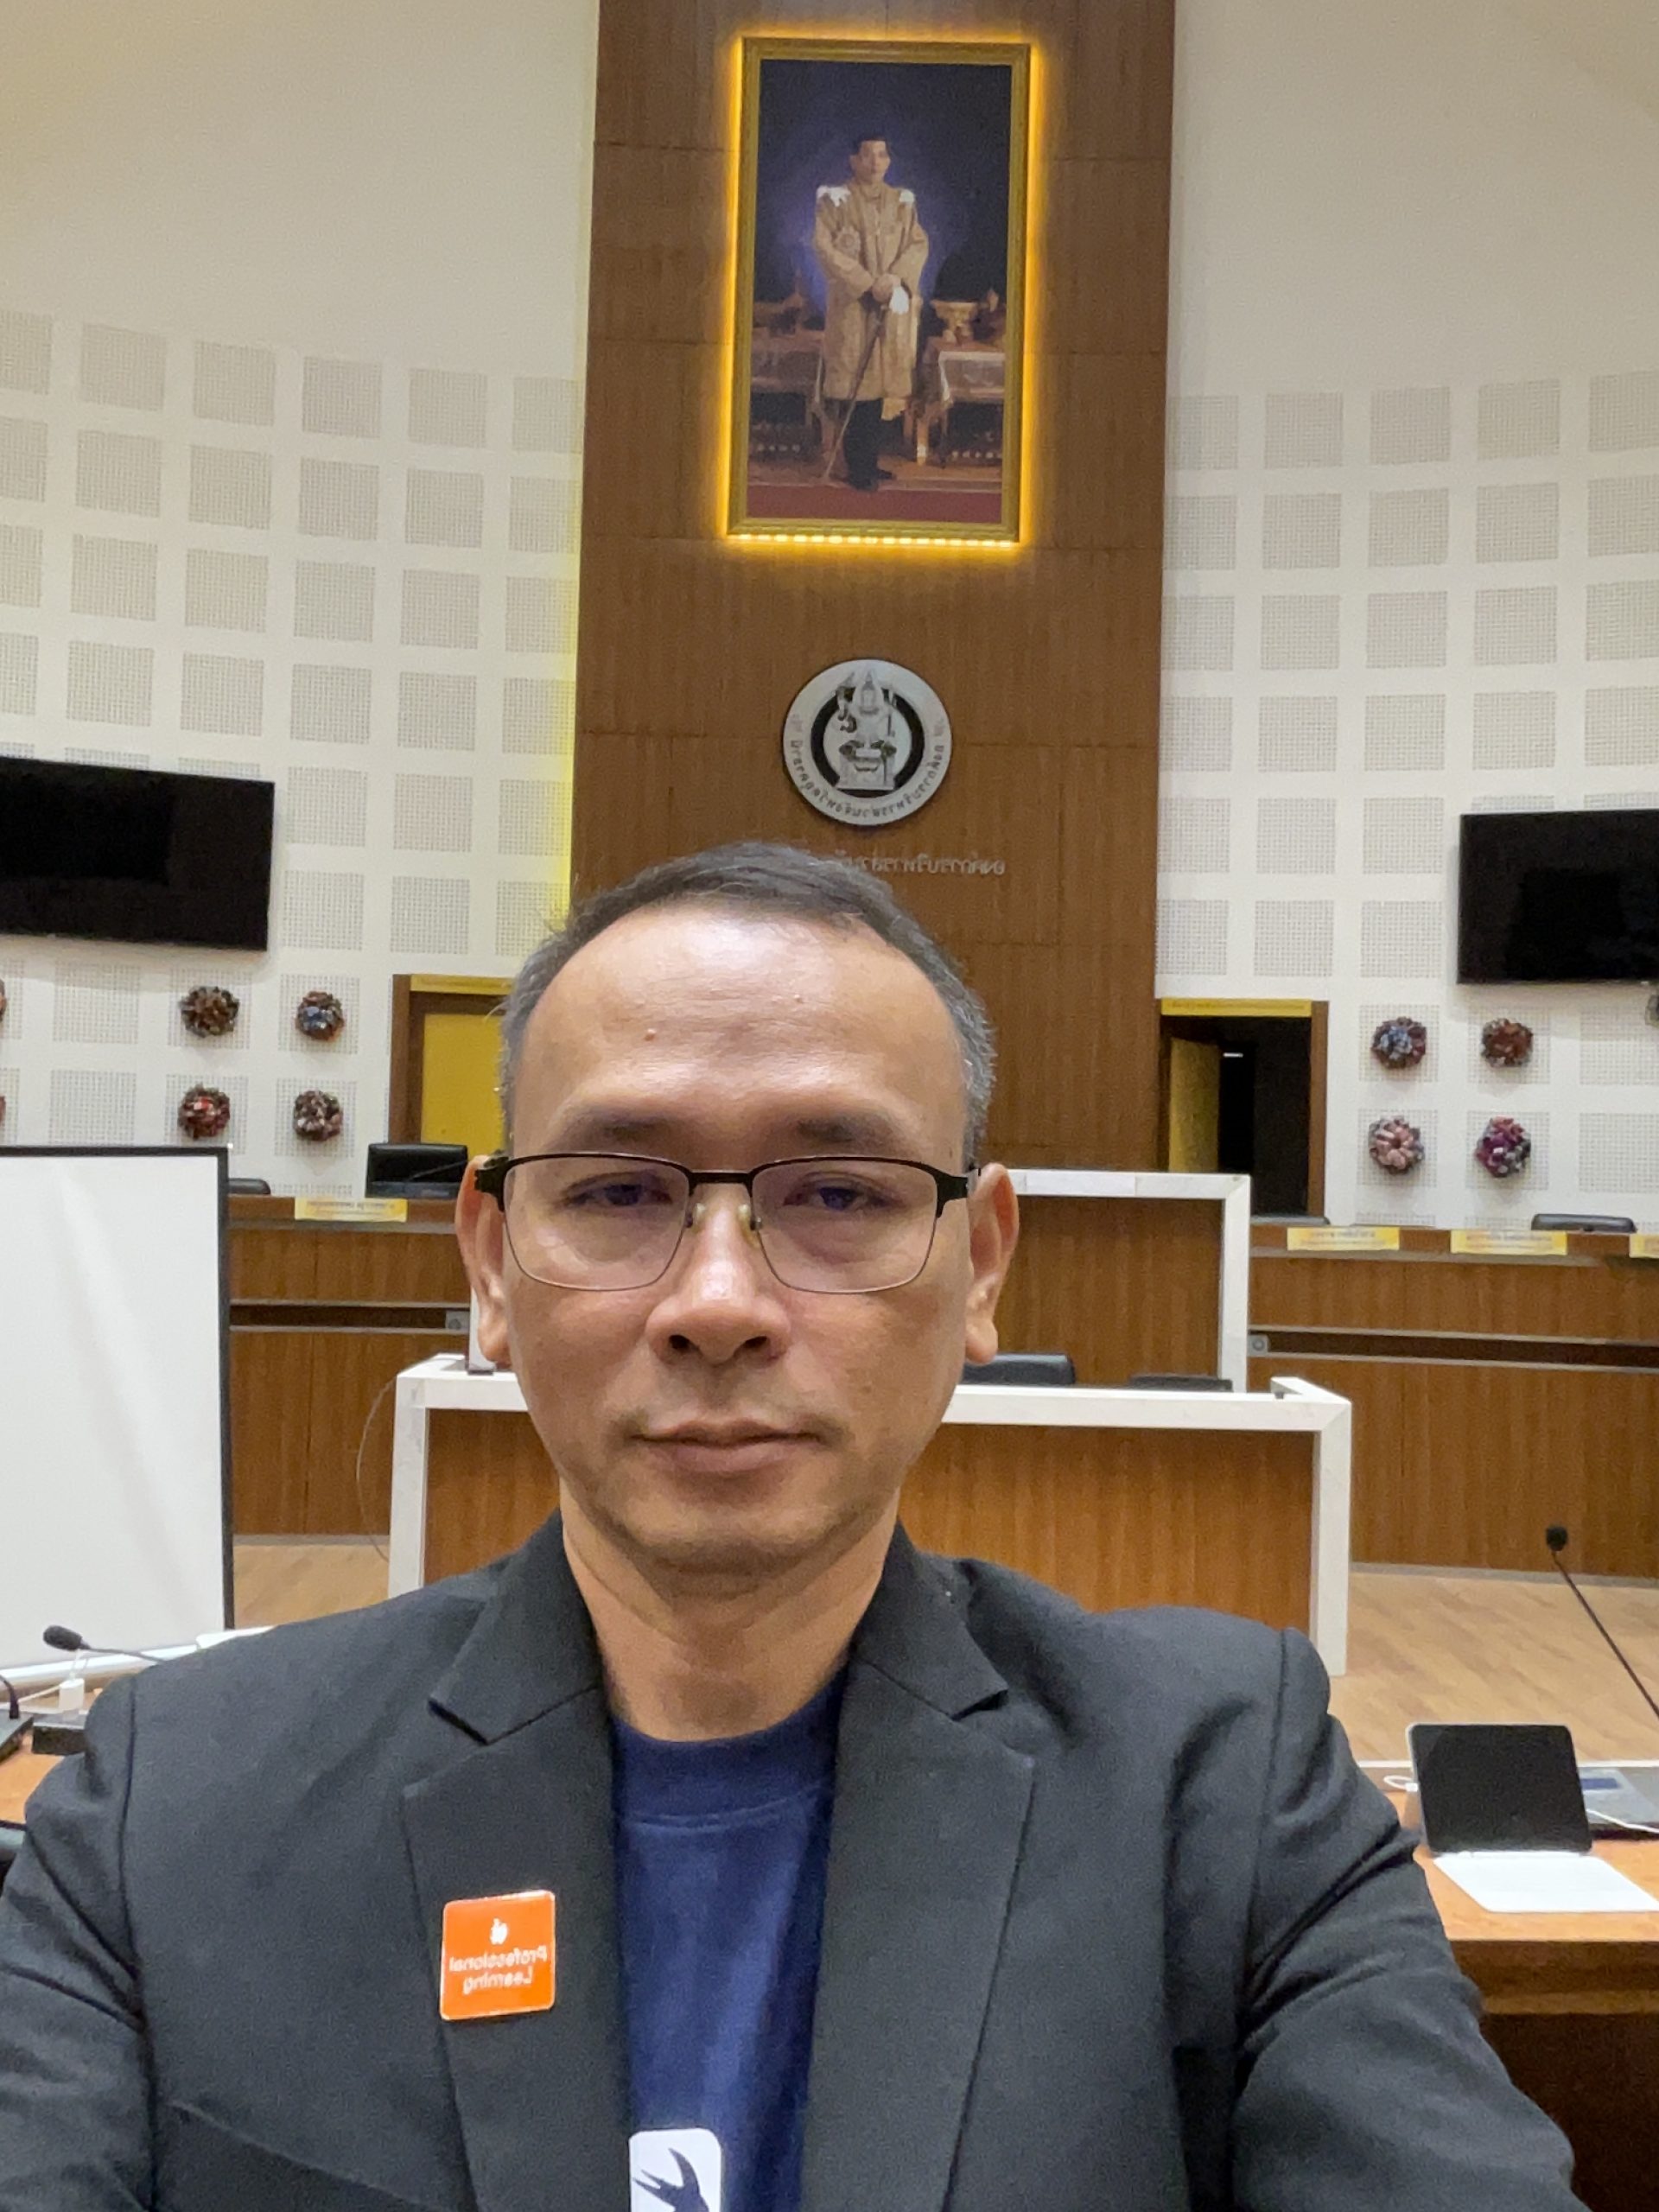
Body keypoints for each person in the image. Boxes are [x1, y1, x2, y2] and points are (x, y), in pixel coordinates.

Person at [0, 842, 1578, 2211]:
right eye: (618, 1191)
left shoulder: (1226, 1801)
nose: (719, 1303)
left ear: (980, 1265)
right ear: (489, 1261)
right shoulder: (167, 1807)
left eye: (838, 1196)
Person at [812, 133, 928, 493]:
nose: (875, 162)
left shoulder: (902, 202)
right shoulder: (835, 200)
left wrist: (895, 279)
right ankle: (855, 466)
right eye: (867, 155)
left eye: (881, 155)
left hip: (889, 305)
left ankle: (870, 460)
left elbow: (917, 244)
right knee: (855, 384)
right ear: (854, 160)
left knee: (879, 386)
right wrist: (866, 283)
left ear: (889, 160)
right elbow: (826, 248)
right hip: (853, 306)